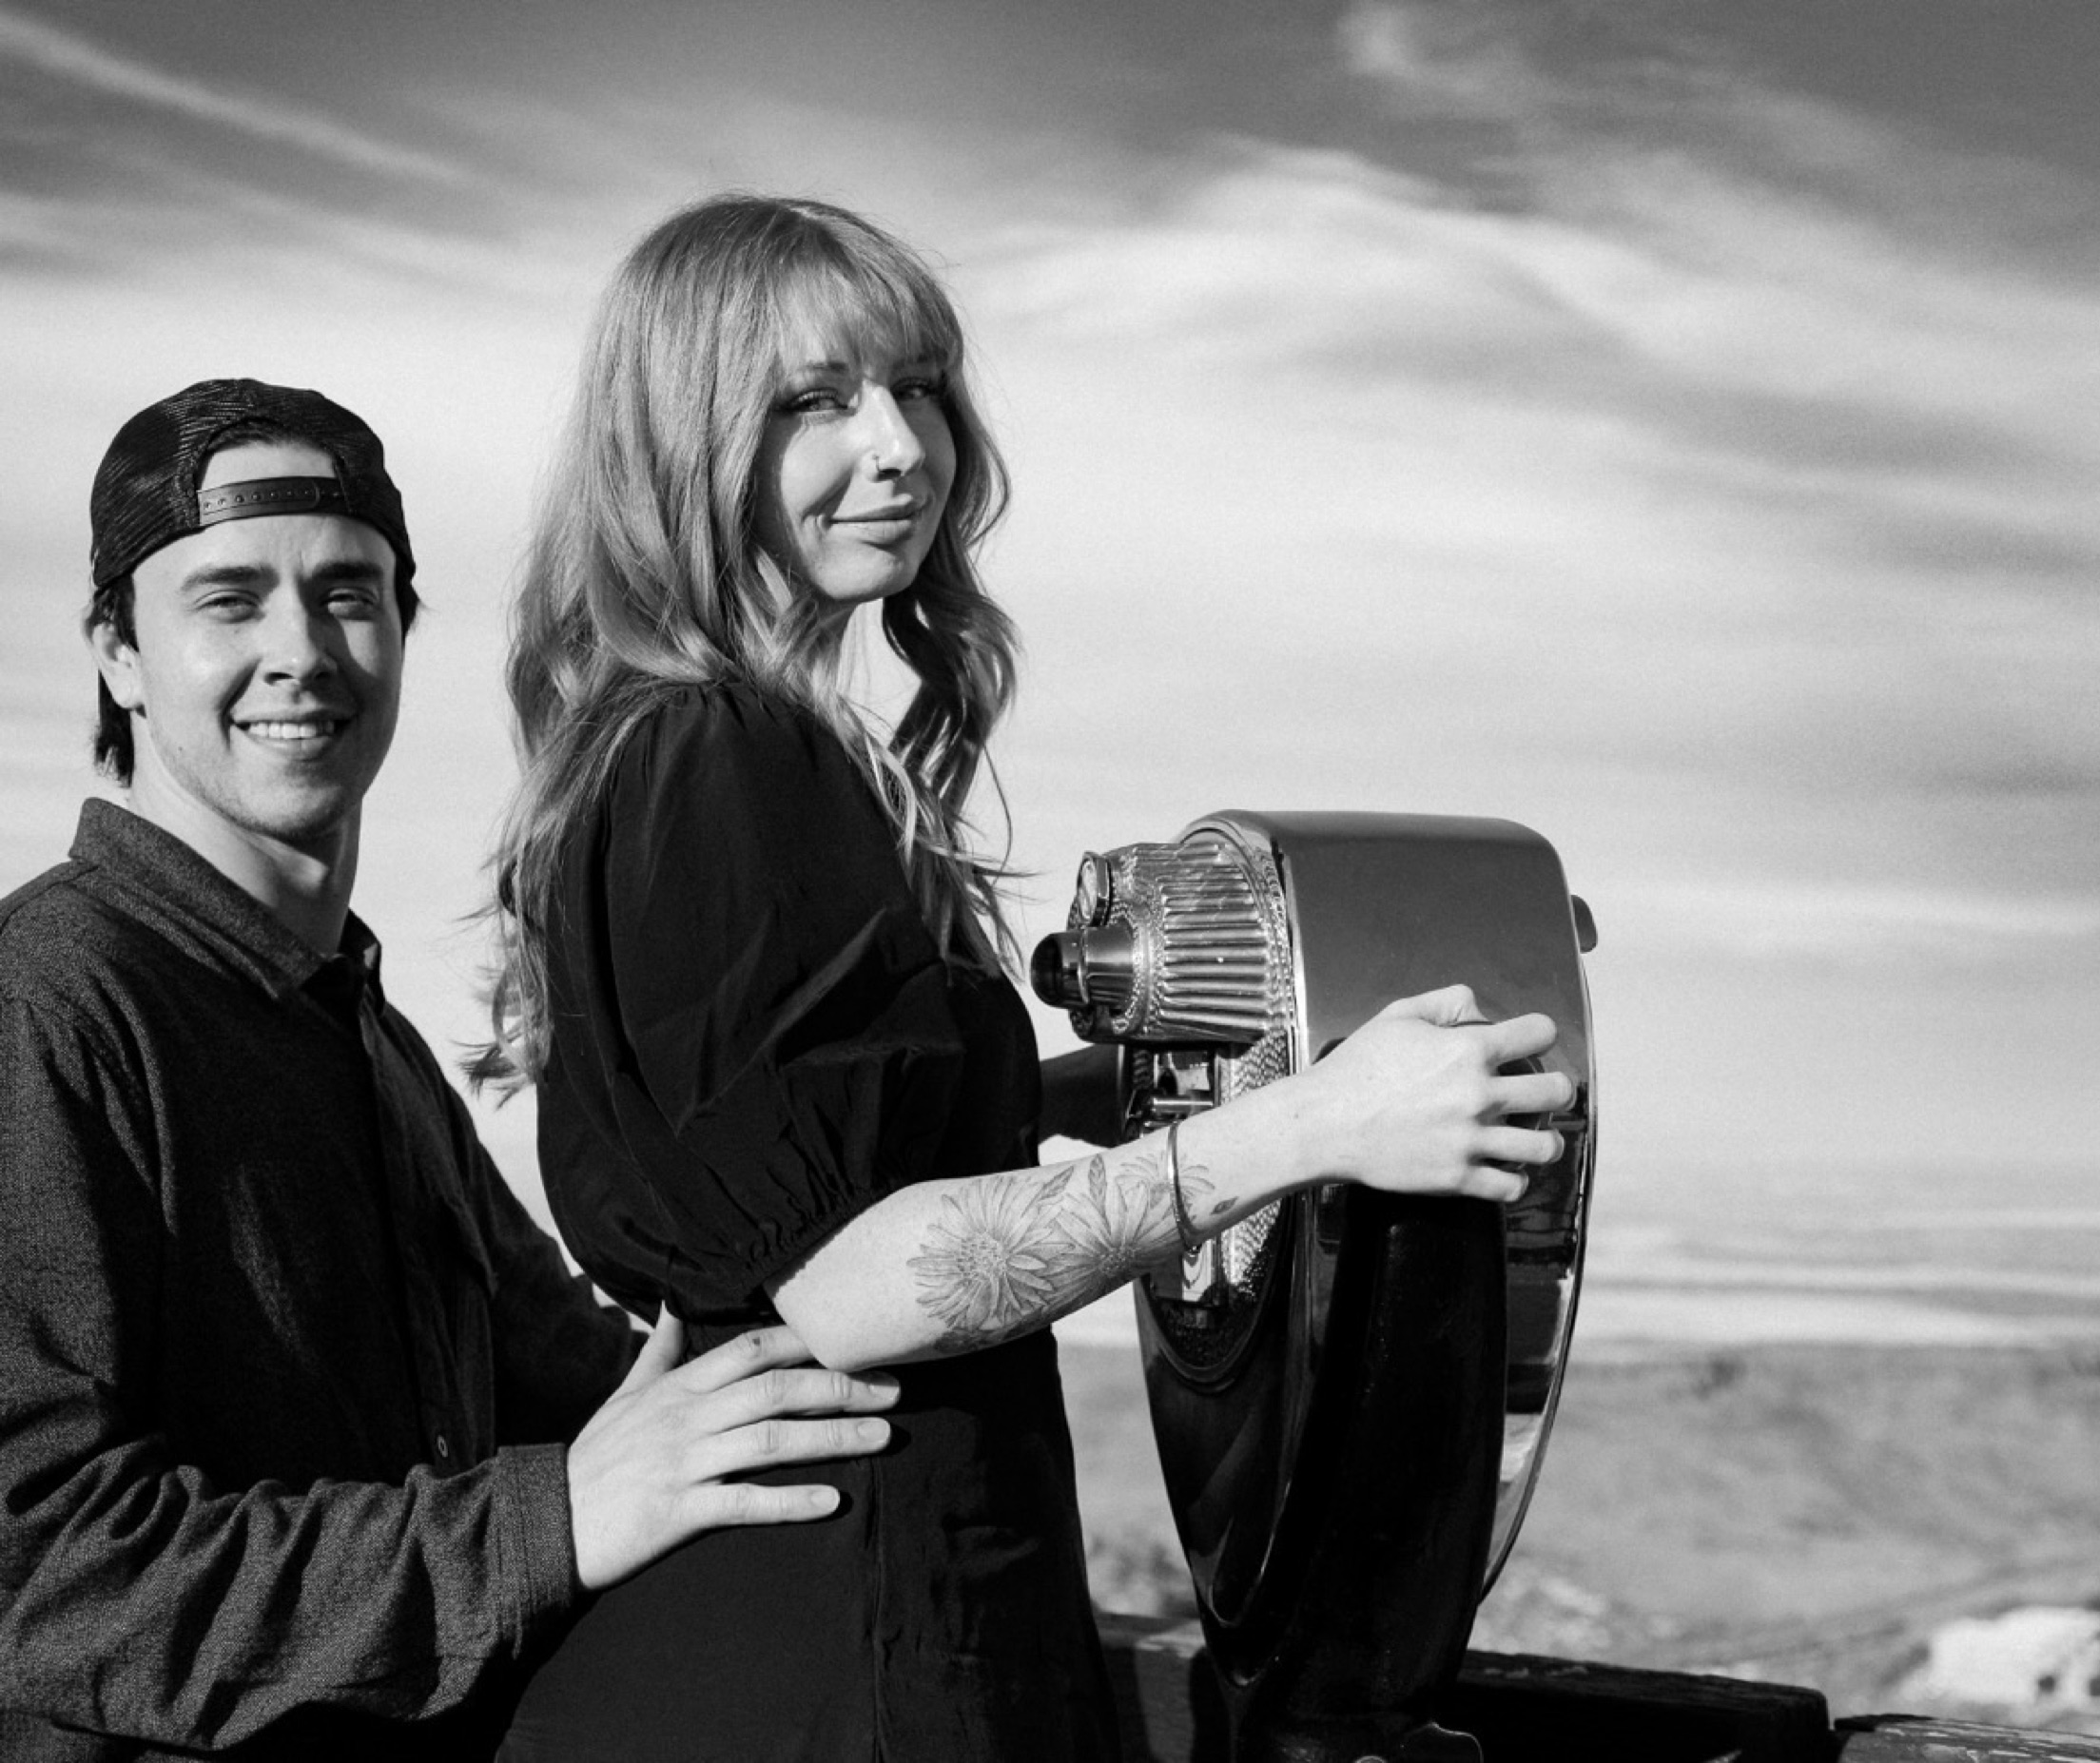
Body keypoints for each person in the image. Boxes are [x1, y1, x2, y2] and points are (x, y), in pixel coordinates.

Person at [479, 195, 1575, 1763]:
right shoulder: (725, 760)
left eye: (919, 386)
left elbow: (827, 1155)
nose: (900, 447)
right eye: (813, 401)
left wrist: (1131, 1086)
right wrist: (1306, 1131)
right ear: (680, 439)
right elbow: (850, 1282)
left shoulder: (685, 749)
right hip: (839, 1652)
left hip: (828, 1614)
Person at [0, 378, 899, 1763]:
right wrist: (551, 1518)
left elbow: (600, 1392)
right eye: (229, 601)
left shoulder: (366, 1041)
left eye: (347, 594)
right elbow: (45, 1574)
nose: (302, 652)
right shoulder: (51, 1003)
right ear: (119, 653)